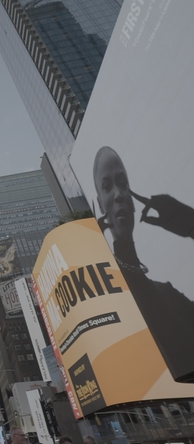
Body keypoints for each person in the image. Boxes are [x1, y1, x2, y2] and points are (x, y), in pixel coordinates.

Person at [93, 146, 194, 382]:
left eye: (123, 183)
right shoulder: (112, 304)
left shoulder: (169, 294)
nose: (118, 194)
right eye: (107, 186)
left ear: (132, 197)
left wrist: (190, 222)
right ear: (99, 204)